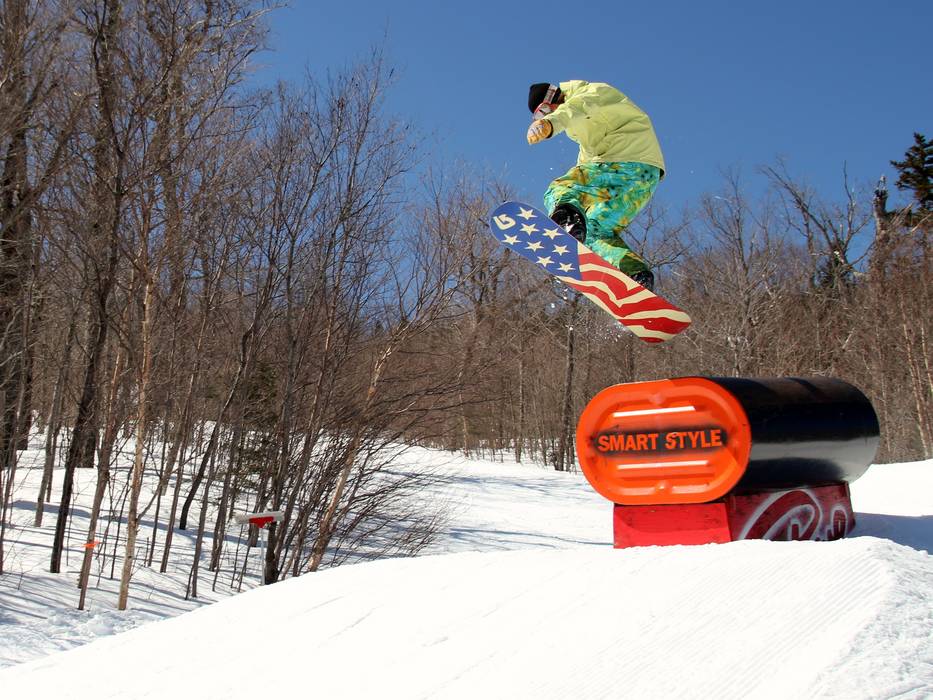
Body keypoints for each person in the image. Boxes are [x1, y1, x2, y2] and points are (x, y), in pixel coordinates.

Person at [526, 80, 665, 290]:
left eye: (543, 112)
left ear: (552, 98)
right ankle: (636, 276)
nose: (546, 116)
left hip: (625, 160)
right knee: (594, 230)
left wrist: (550, 123)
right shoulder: (583, 130)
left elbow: (576, 108)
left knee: (559, 189)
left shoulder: (591, 93)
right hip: (643, 180)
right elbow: (586, 164)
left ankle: (568, 220)